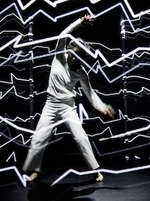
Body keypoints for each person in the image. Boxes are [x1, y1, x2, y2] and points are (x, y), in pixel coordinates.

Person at [22, 13, 116, 182]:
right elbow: (64, 34)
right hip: (50, 105)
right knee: (38, 138)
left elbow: (90, 94)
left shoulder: (81, 72)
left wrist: (102, 107)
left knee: (81, 137)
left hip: (68, 107)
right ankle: (35, 171)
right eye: (72, 54)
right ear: (69, 51)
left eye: (77, 57)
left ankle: (95, 171)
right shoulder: (59, 55)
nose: (73, 58)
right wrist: (81, 21)